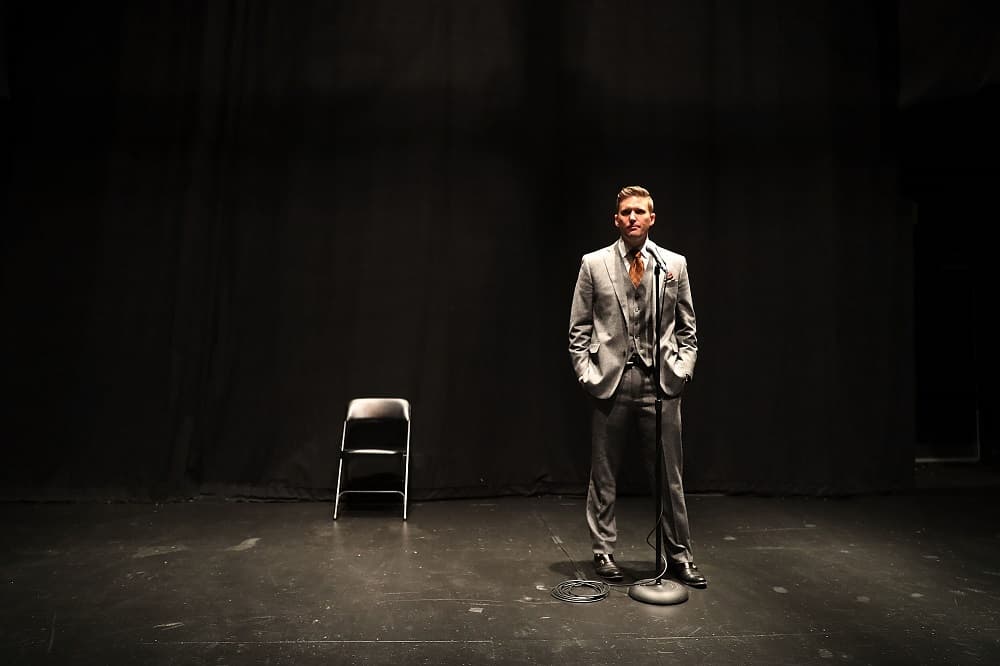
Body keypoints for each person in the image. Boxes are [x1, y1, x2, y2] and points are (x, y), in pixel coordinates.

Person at [568, 185, 706, 589]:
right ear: (616, 219)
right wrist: (586, 373)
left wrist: (682, 371)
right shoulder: (594, 264)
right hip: (610, 382)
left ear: (651, 218)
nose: (632, 218)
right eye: (626, 212)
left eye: (640, 212)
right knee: (604, 472)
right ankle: (604, 550)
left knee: (670, 476)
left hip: (660, 383)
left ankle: (679, 555)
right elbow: (578, 329)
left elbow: (688, 329)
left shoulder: (673, 265)